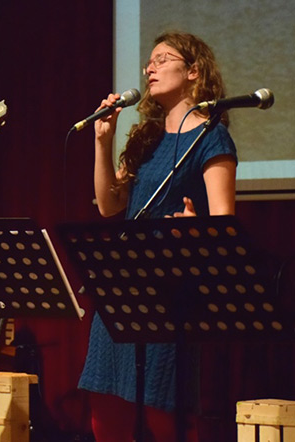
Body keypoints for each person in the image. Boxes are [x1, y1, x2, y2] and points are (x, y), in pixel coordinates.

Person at [78, 31, 237, 442]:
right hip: (122, 289)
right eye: (149, 61)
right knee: (105, 415)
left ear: (193, 72)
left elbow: (223, 222)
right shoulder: (147, 137)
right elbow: (110, 205)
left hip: (170, 291)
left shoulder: (211, 136)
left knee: (165, 415)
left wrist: (195, 230)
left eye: (163, 59)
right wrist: (103, 141)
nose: (150, 67)